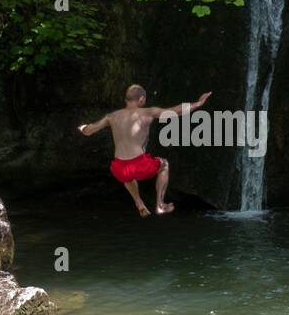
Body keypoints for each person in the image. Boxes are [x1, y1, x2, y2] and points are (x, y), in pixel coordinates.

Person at [78, 84, 211, 216]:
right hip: (139, 164)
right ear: (141, 99)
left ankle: (138, 202)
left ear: (126, 100)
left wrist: (83, 128)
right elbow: (175, 111)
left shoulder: (111, 116)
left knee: (127, 176)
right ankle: (160, 204)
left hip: (118, 167)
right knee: (164, 164)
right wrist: (198, 103)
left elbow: (89, 131)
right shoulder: (148, 112)